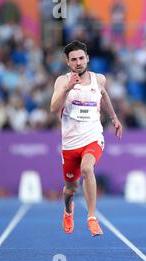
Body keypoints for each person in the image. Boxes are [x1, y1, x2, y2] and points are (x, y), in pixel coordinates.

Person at [50, 40, 123, 236]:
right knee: (70, 189)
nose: (78, 62)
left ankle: (92, 217)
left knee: (87, 168)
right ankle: (68, 209)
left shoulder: (99, 79)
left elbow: (104, 95)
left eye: (81, 58)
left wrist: (114, 118)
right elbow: (53, 108)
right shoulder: (62, 81)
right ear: (68, 62)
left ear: (87, 59)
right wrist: (67, 89)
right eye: (74, 60)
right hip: (70, 143)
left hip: (93, 136)